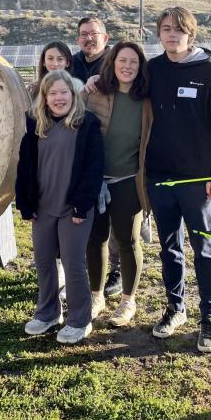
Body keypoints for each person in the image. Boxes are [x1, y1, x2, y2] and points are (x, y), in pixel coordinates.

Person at [145, 7, 211, 353]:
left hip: (199, 181)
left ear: (190, 35)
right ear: (159, 34)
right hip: (161, 177)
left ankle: (209, 317)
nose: (171, 35)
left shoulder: (208, 71)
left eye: (178, 30)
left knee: (205, 249)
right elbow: (122, 87)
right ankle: (175, 308)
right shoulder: (153, 70)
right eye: (166, 29)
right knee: (169, 247)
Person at [15, 69, 104, 344]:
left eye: (63, 92)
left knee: (73, 263)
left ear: (73, 94)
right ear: (44, 97)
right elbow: (25, 165)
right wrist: (26, 204)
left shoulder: (86, 123)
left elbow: (93, 169)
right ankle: (48, 313)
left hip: (73, 209)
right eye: (52, 93)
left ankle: (80, 319)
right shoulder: (35, 123)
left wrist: (81, 206)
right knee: (43, 261)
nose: (58, 98)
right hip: (43, 207)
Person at [84, 41, 152, 327]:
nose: (127, 66)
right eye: (122, 60)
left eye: (133, 62)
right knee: (95, 238)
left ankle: (127, 301)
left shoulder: (147, 100)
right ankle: (96, 296)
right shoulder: (95, 92)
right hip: (96, 179)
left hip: (128, 181)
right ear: (112, 63)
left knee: (128, 240)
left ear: (140, 67)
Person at [71, 15, 124, 298]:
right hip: (77, 148)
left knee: (113, 215)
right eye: (83, 34)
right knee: (84, 213)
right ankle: (81, 265)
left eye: (94, 33)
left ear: (105, 38)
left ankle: (116, 270)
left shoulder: (116, 62)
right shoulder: (71, 63)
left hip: (110, 147)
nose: (88, 38)